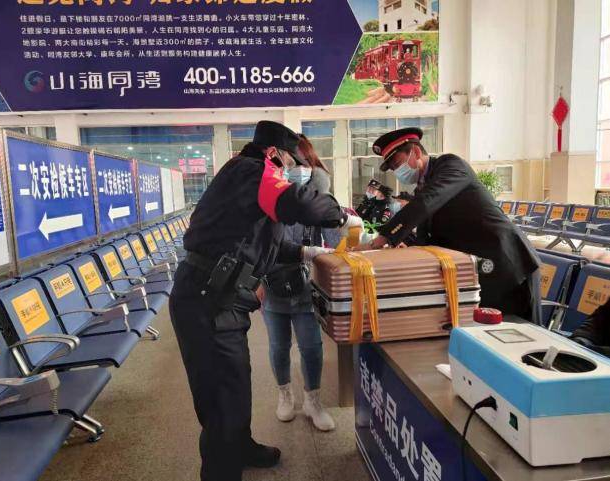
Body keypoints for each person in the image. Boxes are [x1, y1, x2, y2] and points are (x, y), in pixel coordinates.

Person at [169, 120, 362, 481]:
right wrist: (341, 215)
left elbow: (261, 242)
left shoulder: (244, 176)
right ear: (273, 153)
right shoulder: (253, 171)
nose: (291, 171)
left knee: (236, 382)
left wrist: (305, 251)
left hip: (222, 296)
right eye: (290, 163)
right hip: (208, 299)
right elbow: (297, 203)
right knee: (221, 397)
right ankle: (221, 472)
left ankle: (241, 447)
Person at [361, 127, 542, 324]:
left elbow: (426, 203)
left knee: (518, 334)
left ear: (416, 152)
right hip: (479, 271)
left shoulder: (451, 166)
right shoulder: (424, 186)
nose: (397, 172)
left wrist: (382, 239)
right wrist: (406, 247)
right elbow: (425, 234)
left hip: (507, 263)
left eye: (397, 164)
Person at [261, 134, 337, 432]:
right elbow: (263, 245)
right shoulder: (269, 195)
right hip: (273, 285)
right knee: (278, 347)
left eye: (302, 163)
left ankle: (313, 401)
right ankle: (285, 395)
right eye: (290, 163)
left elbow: (335, 239)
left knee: (312, 347)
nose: (296, 170)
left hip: (307, 287)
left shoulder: (317, 198)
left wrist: (344, 226)